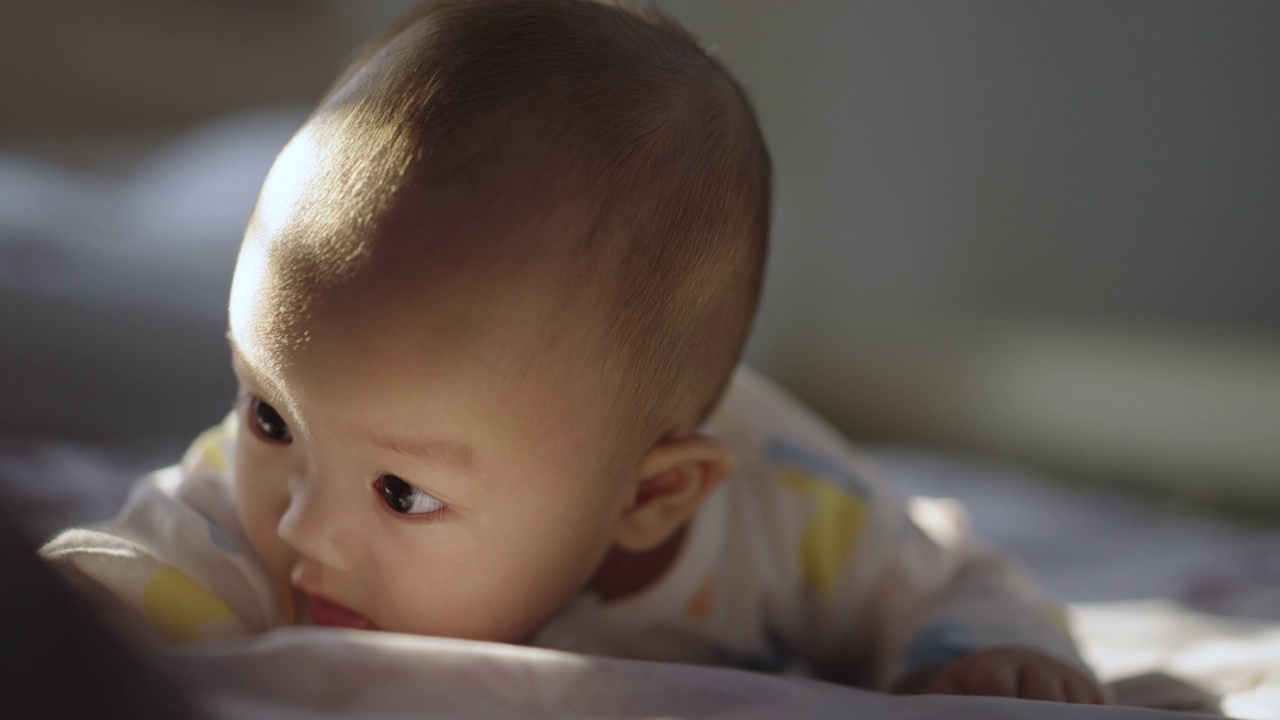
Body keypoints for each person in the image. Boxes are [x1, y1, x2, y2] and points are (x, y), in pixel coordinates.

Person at [41, 0, 1106, 704]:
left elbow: (941, 576)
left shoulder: (787, 509)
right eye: (272, 411)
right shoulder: (253, 495)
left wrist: (990, 655)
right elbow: (127, 582)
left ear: (653, 495)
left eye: (403, 493)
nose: (299, 524)